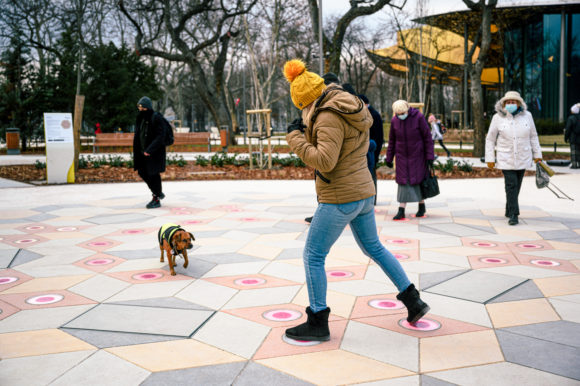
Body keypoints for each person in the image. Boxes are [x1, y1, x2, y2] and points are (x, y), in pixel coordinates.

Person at [283, 59, 429, 342]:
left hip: (340, 196)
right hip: (362, 192)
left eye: (301, 107)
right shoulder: (348, 106)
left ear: (307, 101)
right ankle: (413, 301)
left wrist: (296, 139)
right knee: (374, 247)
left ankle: (317, 321)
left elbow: (325, 160)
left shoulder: (326, 116)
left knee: (313, 256)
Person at [485, 91, 542, 225]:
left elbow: (533, 136)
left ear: (519, 103)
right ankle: (514, 214)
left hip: (523, 157)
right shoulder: (497, 118)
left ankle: (508, 208)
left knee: (517, 185)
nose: (510, 104)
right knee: (511, 185)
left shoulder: (528, 116)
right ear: (504, 104)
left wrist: (537, 155)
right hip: (506, 157)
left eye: (513, 102)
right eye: (508, 102)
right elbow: (490, 139)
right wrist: (490, 158)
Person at [385, 101, 435, 220]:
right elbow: (392, 140)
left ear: (407, 110)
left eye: (402, 113)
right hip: (402, 157)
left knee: (417, 181)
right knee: (403, 183)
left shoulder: (418, 117)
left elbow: (427, 138)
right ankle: (401, 210)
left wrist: (429, 156)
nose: (400, 115)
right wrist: (389, 158)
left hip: (418, 156)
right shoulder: (395, 120)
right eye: (398, 114)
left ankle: (421, 206)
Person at [304, 72, 342, 224]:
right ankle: (324, 214)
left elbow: (324, 157)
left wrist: (295, 136)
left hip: (330, 159)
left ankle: (324, 216)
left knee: (313, 248)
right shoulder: (349, 102)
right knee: (373, 246)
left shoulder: (327, 110)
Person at [133, 96, 166, 209]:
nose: (140, 109)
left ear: (147, 107)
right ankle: (157, 192)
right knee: (142, 172)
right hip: (142, 152)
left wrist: (149, 150)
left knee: (153, 174)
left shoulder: (155, 117)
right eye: (139, 107)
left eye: (142, 107)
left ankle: (156, 197)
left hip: (154, 153)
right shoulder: (140, 118)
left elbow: (160, 136)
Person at [359, 94, 384, 203]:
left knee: (371, 177)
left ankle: (372, 199)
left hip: (372, 150)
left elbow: (379, 137)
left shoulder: (373, 114)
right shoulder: (367, 113)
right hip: (368, 150)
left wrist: (376, 153)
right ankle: (369, 199)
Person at [564, 103, 580, 169]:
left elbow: (568, 129)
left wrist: (566, 138)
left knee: (573, 152)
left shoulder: (571, 118)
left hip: (573, 138)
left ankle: (574, 165)